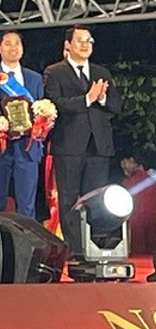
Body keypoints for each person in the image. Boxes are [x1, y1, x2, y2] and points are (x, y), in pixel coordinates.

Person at [44, 24, 122, 255]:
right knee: (69, 199)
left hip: (98, 145)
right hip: (69, 145)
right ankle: (75, 249)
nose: (86, 45)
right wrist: (87, 98)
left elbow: (116, 106)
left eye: (89, 41)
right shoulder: (54, 72)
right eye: (80, 40)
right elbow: (56, 103)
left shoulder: (101, 72)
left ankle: (96, 247)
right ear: (67, 45)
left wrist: (103, 98)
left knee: (97, 198)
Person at [0, 30, 45, 216]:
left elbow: (41, 109)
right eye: (8, 43)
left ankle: (27, 236)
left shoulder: (35, 78)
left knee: (27, 204)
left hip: (28, 147)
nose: (13, 48)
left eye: (17, 43)